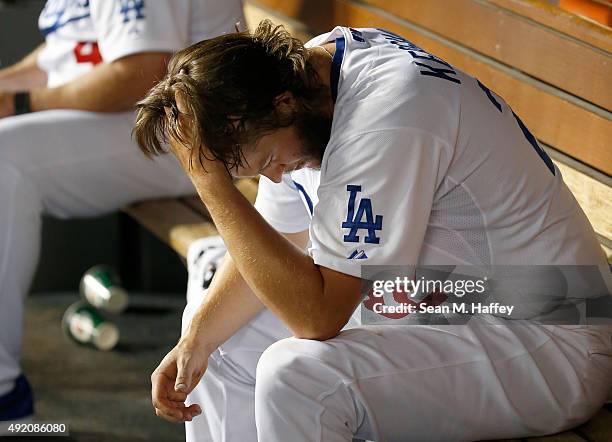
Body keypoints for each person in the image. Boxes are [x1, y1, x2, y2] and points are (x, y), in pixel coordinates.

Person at [134, 21, 612, 441]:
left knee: (299, 377)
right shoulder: (310, 81)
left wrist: (209, 182)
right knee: (218, 349)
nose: (276, 176)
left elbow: (318, 316)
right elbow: (274, 239)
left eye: (266, 162)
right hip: (450, 303)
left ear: (282, 105)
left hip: (546, 332)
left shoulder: (385, 114)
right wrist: (196, 338)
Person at [0, 0, 244, 423]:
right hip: (159, 116)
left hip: (196, 134)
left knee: (4, 157)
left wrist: (19, 103)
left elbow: (142, 71)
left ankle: (3, 399)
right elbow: (67, 49)